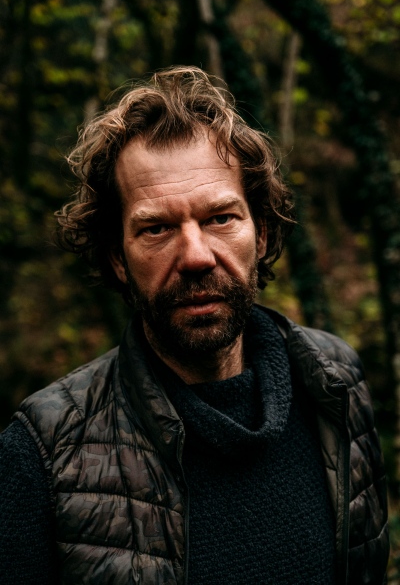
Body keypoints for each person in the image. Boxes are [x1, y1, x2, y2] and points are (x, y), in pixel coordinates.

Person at [0, 66, 389, 585]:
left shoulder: (336, 385)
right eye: (157, 228)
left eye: (220, 218)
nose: (196, 256)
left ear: (262, 233)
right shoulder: (41, 455)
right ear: (117, 257)